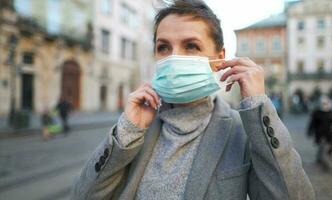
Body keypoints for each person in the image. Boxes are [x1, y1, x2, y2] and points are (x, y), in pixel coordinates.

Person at [72, 1, 314, 199]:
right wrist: (127, 130)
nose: (174, 57)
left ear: (219, 59)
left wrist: (259, 108)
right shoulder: (137, 129)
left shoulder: (243, 131)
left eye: (191, 46)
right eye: (163, 47)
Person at [307, 96, 332, 170]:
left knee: (325, 148)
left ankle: (324, 162)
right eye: (323, 103)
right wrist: (310, 131)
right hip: (320, 134)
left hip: (329, 134)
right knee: (322, 147)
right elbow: (312, 123)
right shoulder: (316, 113)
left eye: (326, 103)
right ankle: (322, 161)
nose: (324, 105)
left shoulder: (331, 112)